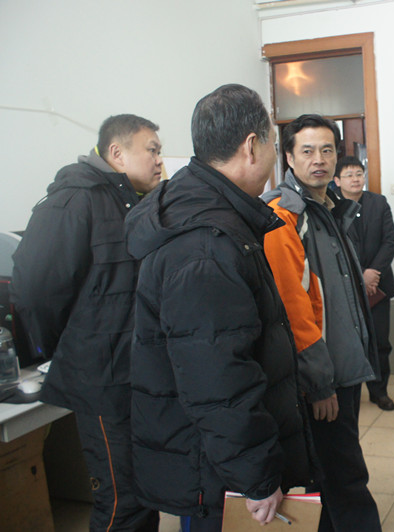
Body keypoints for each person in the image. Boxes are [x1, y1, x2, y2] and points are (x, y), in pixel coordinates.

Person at [124, 84, 313, 531]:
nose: (272, 155)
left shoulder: (208, 213)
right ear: (251, 146)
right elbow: (217, 379)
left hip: (214, 457)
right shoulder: (205, 246)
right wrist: (257, 475)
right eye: (272, 143)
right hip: (214, 469)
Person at [11, 114, 164, 531]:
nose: (159, 160)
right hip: (102, 380)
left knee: (146, 492)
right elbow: (35, 291)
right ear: (117, 153)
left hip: (137, 377)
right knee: (121, 503)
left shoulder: (132, 202)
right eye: (152, 149)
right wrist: (66, 349)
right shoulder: (75, 199)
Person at [261, 114, 381, 531]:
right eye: (308, 150)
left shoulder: (329, 207)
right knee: (344, 477)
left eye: (327, 150)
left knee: (334, 474)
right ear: (289, 157)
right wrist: (319, 382)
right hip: (321, 376)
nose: (319, 160)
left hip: (343, 368)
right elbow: (292, 308)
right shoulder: (284, 215)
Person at [333, 156, 394, 411]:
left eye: (359, 173)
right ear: (337, 181)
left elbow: (390, 241)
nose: (355, 179)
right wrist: (361, 275)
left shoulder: (378, 203)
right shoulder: (331, 206)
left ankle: (379, 392)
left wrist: (373, 273)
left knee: (380, 342)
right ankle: (348, 392)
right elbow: (334, 247)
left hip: (378, 287)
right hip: (346, 288)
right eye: (349, 175)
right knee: (349, 343)